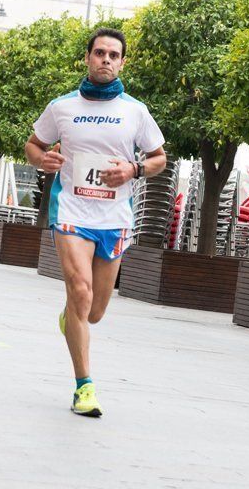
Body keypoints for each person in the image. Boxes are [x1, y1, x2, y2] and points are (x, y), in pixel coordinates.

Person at [24, 28, 167, 418]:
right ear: (87, 58)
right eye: (99, 52)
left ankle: (71, 317)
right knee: (80, 291)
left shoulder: (135, 111)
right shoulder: (61, 107)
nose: (106, 59)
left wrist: (134, 169)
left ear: (121, 62)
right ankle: (84, 387)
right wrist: (42, 160)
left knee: (95, 311)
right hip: (70, 210)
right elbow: (34, 144)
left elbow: (159, 158)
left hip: (114, 217)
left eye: (113, 55)